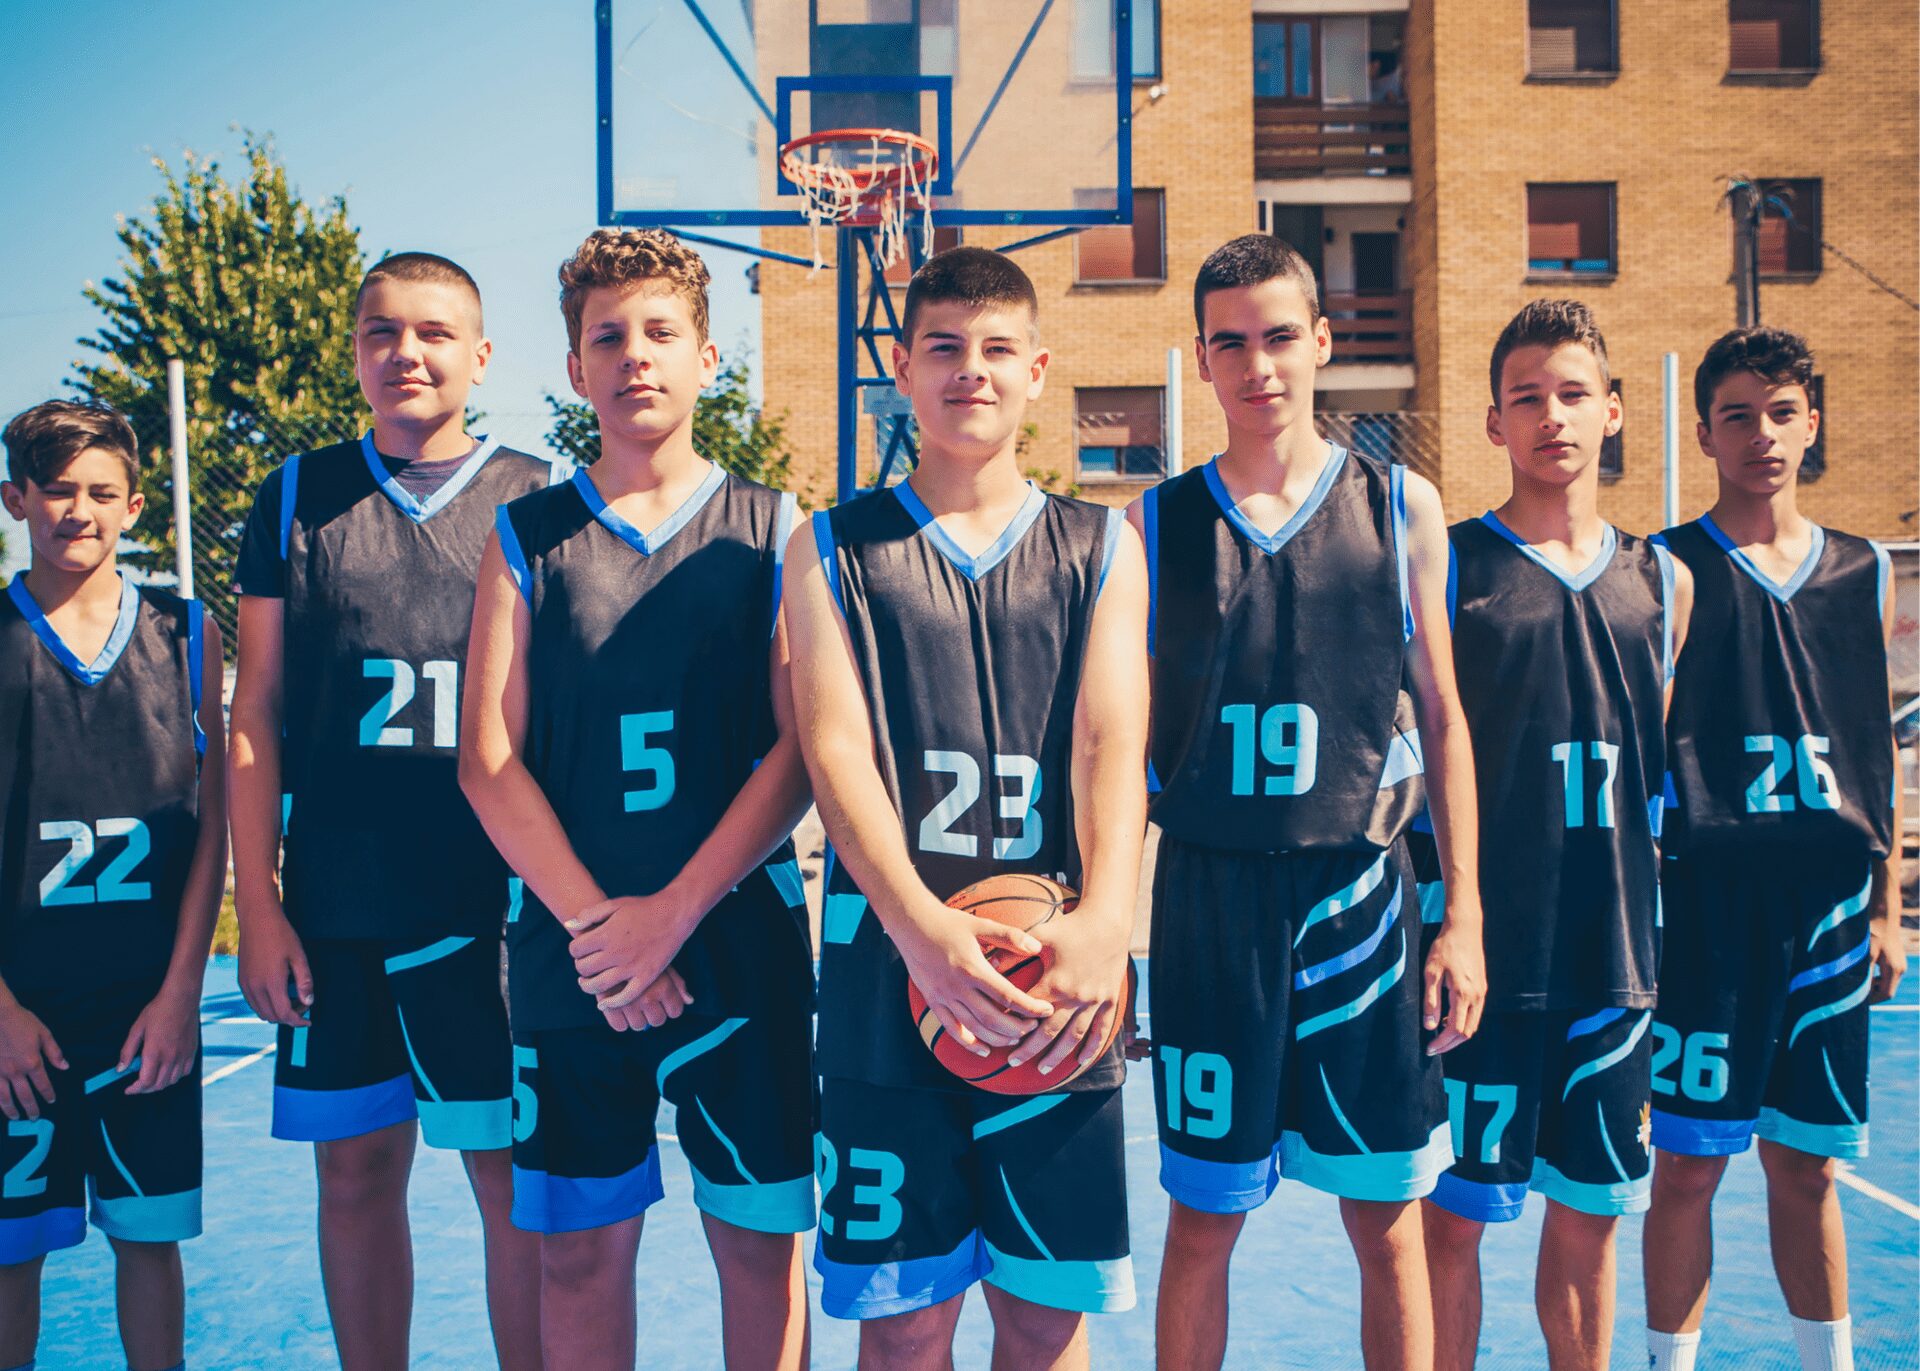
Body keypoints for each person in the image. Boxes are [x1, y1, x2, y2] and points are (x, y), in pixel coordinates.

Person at [785, 245, 1148, 1370]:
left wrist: (1107, 928)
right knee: (902, 1324)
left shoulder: (1100, 544)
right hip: (883, 974)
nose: (970, 372)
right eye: (943, 348)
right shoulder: (830, 546)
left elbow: (1111, 742)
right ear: (902, 366)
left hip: (1055, 981)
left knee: (1046, 1320)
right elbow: (836, 750)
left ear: (1037, 370)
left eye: (997, 351)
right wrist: (921, 929)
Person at [460, 228, 815, 1371]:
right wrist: (600, 930)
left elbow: (803, 749)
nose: (635, 356)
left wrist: (669, 915)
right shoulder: (524, 535)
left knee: (760, 1249)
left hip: (737, 938)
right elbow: (489, 760)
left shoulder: (774, 527)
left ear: (710, 357)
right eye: (607, 337)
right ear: (574, 371)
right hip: (573, 949)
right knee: (575, 1253)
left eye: (661, 332)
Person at [1134, 232, 1485, 1371]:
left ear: (1322, 342)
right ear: (1200, 358)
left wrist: (1462, 915)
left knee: (1386, 1225)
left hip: (1361, 896)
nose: (1259, 365)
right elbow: (1113, 742)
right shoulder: (1150, 525)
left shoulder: (1400, 506)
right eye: (1230, 342)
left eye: (1281, 336)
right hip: (1207, 897)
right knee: (1203, 1221)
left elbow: (1442, 715)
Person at [228, 253, 550, 1369]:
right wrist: (259, 907)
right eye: (381, 333)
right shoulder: (296, 496)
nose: (405, 353)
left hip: (491, 903)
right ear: (355, 349)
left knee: (511, 1181)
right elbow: (255, 711)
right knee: (356, 1169)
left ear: (479, 355)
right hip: (338, 899)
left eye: (432, 333)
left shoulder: (539, 496)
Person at [1418, 300, 1693, 1370]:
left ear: (1614, 411)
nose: (1552, 416)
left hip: (1612, 952)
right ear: (1494, 423)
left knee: (1590, 1224)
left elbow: (1665, 764)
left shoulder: (1664, 580)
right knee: (1454, 1221)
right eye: (1527, 398)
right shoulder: (1449, 566)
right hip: (1485, 955)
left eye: (1573, 394)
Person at [1642, 327, 1904, 1371]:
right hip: (1710, 907)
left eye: (1783, 411)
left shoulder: (1865, 571)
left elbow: (1874, 745)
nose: (1763, 434)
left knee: (1809, 1170)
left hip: (1830, 911)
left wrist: (1887, 907)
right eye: (1739, 415)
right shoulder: (1668, 571)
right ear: (1705, 432)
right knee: (1689, 1169)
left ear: (1814, 423)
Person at [0, 400, 227, 1371]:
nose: (77, 511)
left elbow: (215, 822)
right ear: (15, 498)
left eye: (100, 492)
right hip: (23, 1017)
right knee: (12, 1254)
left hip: (148, 1011)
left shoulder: (187, 631)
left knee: (150, 1239)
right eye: (56, 490)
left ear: (135, 505)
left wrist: (182, 995)